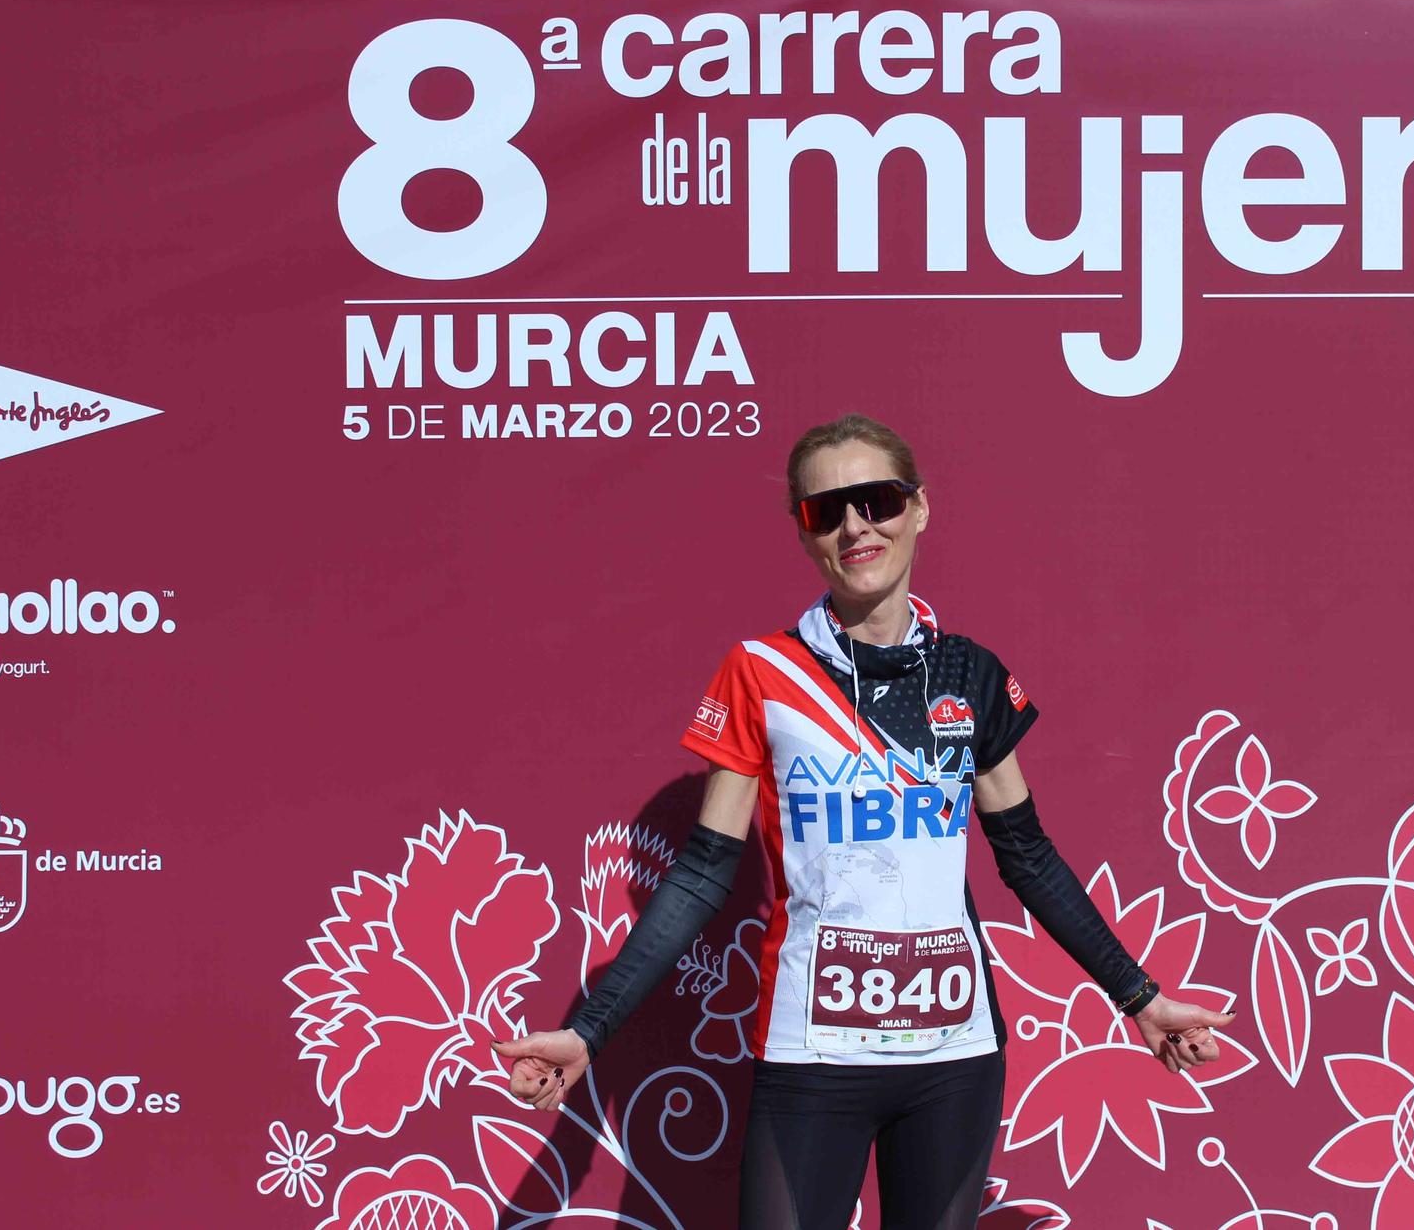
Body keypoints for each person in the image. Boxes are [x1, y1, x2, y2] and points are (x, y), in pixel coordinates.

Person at [494, 414, 1236, 1229]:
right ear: (804, 532)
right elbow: (705, 871)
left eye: (877, 500)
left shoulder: (969, 672)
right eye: (826, 510)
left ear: (919, 509)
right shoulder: (762, 672)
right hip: (812, 1055)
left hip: (954, 1056)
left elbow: (1025, 854)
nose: (856, 526)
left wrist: (1140, 997)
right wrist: (589, 1032)